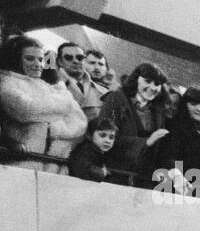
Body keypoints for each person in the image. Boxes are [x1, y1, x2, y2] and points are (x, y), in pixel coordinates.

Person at [0, 35, 88, 173]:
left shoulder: (48, 85)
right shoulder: (6, 82)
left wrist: (53, 129)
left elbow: (80, 122)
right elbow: (27, 109)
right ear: (15, 59)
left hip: (54, 165)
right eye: (30, 58)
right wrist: (60, 111)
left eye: (41, 59)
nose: (38, 64)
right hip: (20, 164)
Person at [68, 115, 117, 182]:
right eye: (102, 135)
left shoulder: (99, 152)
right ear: (90, 135)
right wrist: (102, 172)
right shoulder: (85, 150)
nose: (107, 141)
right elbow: (82, 169)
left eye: (111, 137)